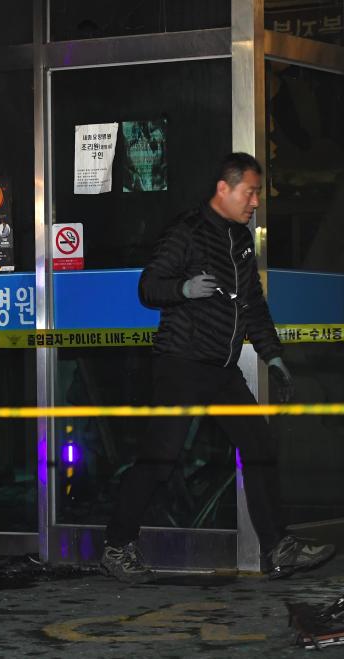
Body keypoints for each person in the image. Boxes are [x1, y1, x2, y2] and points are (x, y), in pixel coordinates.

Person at [101, 152, 335, 583]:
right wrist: (183, 288)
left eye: (258, 194)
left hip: (222, 370)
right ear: (223, 189)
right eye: (250, 192)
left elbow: (252, 305)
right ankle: (117, 545)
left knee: (260, 445)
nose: (255, 203)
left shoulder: (242, 241)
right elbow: (149, 287)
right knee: (161, 458)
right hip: (182, 364)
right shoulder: (187, 231)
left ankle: (277, 549)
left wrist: (274, 356)